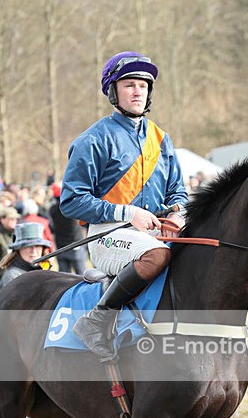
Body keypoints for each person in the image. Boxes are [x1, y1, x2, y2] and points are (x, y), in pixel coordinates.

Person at [60, 50, 188, 361]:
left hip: (156, 233)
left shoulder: (161, 140)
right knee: (157, 255)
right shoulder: (94, 139)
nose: (137, 91)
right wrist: (128, 212)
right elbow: (71, 201)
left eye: (143, 86)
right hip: (108, 235)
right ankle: (96, 320)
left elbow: (178, 193)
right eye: (129, 84)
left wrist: (178, 214)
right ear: (113, 92)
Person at [0, 221, 52, 289]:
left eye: (37, 246)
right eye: (28, 246)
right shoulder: (12, 277)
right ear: (18, 249)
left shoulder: (45, 270)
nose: (33, 251)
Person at [48, 183, 88, 274]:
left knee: (64, 276)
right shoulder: (74, 207)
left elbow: (51, 227)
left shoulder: (53, 209)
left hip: (61, 246)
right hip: (76, 245)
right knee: (82, 275)